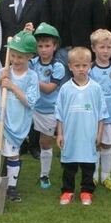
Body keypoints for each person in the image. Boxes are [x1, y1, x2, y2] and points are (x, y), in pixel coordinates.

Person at [0, 31, 39, 203]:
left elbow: (30, 102)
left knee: (12, 156)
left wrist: (11, 86)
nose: (16, 60)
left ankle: (11, 187)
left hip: (17, 120)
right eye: (13, 55)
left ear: (29, 57)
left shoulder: (32, 77)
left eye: (21, 57)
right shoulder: (4, 71)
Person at [56, 47, 107, 206]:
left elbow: (101, 114)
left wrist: (99, 134)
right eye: (77, 66)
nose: (81, 69)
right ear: (70, 66)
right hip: (71, 135)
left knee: (88, 166)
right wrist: (60, 134)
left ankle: (86, 191)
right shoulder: (65, 89)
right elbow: (59, 114)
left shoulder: (96, 88)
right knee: (69, 167)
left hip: (88, 135)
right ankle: (67, 191)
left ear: (90, 65)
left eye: (84, 65)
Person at [28, 23, 65, 189]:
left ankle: (44, 175)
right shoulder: (32, 62)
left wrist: (34, 79)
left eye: (47, 45)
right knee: (15, 136)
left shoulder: (57, 66)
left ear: (55, 46)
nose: (43, 49)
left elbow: (50, 89)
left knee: (45, 142)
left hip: (48, 109)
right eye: (40, 45)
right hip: (30, 107)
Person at [89, 29, 111, 191]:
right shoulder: (89, 69)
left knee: (107, 145)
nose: (105, 51)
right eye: (101, 47)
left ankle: (106, 176)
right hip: (93, 117)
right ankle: (94, 176)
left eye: (109, 47)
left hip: (110, 116)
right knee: (95, 145)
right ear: (93, 48)